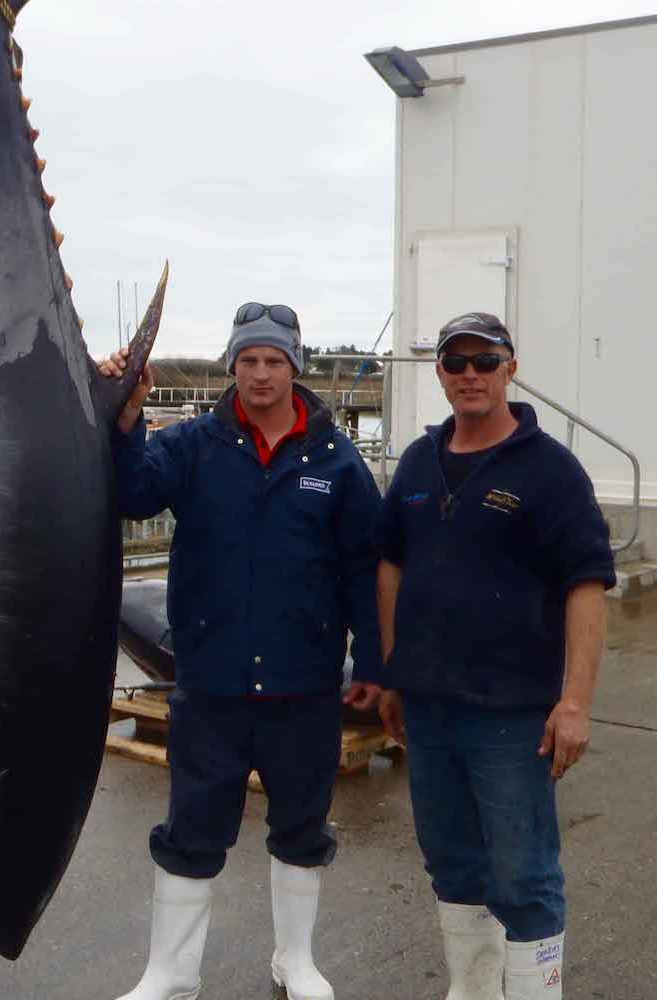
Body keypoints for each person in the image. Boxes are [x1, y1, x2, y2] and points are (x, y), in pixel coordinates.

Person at [100, 302, 382, 1000]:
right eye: (248, 361)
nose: (260, 374)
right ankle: (170, 974)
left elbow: (361, 569)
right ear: (233, 367)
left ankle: (296, 961)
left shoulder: (337, 461)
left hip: (304, 685)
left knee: (300, 826)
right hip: (212, 681)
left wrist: (373, 664)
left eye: (274, 361)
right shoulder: (194, 443)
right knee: (191, 829)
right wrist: (126, 418)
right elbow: (134, 492)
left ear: (296, 367)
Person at [345, 311, 614, 1000]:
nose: (470, 374)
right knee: (453, 865)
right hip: (428, 711)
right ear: (438, 372)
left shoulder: (552, 471)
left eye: (484, 361)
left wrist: (575, 702)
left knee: (523, 877)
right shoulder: (414, 462)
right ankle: (470, 990)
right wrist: (393, 671)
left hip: (512, 716)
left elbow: (587, 589)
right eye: (455, 362)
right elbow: (390, 569)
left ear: (510, 369)